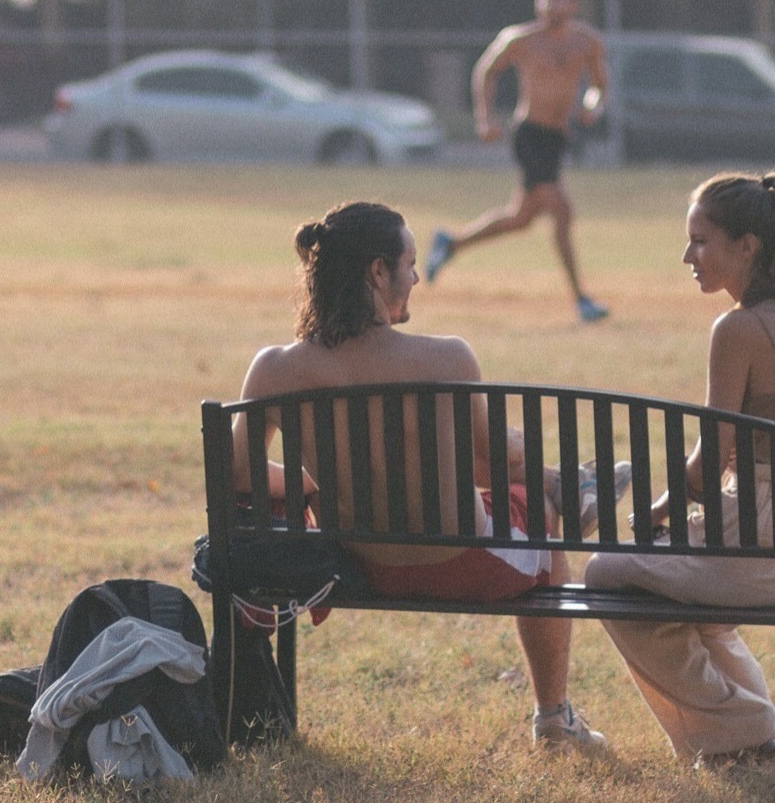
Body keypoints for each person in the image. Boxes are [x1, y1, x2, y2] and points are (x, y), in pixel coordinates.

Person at [232, 200, 626, 751]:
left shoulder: (274, 368)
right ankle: (554, 720)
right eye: (410, 263)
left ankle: (567, 481)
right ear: (377, 271)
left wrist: (310, 485)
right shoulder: (448, 359)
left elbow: (239, 475)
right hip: (459, 563)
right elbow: (502, 459)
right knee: (537, 505)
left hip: (355, 565)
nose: (416, 277)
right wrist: (536, 465)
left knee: (476, 467)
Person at [585, 172, 775, 766]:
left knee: (606, 572)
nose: (688, 256)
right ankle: (763, 731)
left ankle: (747, 727)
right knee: (691, 605)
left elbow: (709, 469)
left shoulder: (738, 329)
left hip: (765, 550)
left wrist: (657, 510)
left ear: (748, 246)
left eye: (701, 241)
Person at [425, 0, 610, 323]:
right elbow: (485, 71)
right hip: (529, 134)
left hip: (558, 138)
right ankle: (582, 299)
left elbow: (600, 85)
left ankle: (449, 243)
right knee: (562, 211)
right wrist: (484, 118)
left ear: (573, 5)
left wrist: (593, 106)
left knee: (521, 218)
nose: (548, 6)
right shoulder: (520, 39)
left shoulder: (588, 42)